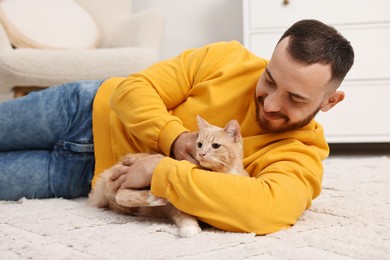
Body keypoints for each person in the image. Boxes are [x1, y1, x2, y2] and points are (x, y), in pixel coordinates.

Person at [0, 19, 354, 235]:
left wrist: (160, 170)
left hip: (91, 176)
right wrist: (173, 139)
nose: (272, 103)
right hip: (85, 108)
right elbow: (132, 89)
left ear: (329, 101)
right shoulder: (227, 58)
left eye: (295, 98)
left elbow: (266, 209)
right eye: (269, 80)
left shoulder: (302, 154)